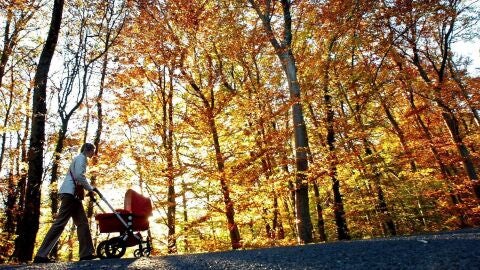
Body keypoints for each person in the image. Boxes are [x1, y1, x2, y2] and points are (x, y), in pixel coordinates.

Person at [33, 143, 98, 263]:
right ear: (88, 149)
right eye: (93, 150)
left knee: (82, 223)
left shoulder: (80, 159)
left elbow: (78, 176)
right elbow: (79, 175)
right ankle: (41, 255)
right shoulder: (81, 158)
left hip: (73, 195)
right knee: (60, 223)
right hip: (70, 194)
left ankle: (86, 253)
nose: (94, 153)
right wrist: (90, 189)